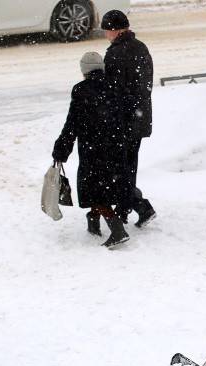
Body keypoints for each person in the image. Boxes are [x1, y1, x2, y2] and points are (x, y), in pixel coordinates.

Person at [52, 52, 131, 249]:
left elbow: (72, 123)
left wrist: (61, 149)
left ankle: (117, 230)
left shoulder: (81, 90)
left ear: (84, 70)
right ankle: (94, 222)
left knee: (94, 191)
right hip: (116, 147)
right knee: (107, 187)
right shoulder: (115, 85)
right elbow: (127, 112)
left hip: (93, 150)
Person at [101, 9, 156, 228]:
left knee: (120, 168)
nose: (106, 35)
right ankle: (124, 210)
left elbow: (114, 90)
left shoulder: (115, 54)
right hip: (140, 118)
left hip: (123, 121)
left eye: (107, 31)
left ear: (116, 31)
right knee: (128, 166)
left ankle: (140, 207)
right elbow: (144, 85)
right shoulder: (140, 47)